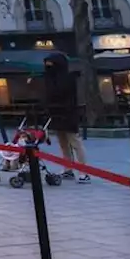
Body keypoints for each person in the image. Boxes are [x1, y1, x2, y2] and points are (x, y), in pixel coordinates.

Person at [43, 52, 89, 182]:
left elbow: (67, 96)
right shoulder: (49, 79)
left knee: (75, 142)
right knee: (63, 143)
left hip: (68, 114)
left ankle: (83, 171)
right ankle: (68, 168)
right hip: (55, 114)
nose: (48, 68)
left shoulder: (68, 79)